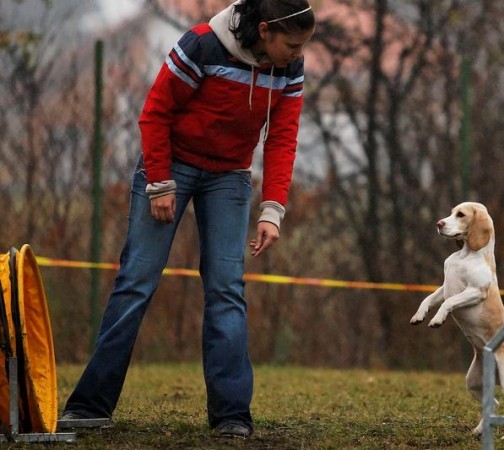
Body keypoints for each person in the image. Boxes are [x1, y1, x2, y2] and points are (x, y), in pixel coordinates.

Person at [60, 0, 315, 438]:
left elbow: (283, 137)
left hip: (230, 177)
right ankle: (89, 407)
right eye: (290, 44)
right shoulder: (201, 47)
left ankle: (232, 415)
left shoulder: (288, 68)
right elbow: (155, 112)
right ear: (266, 30)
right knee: (136, 282)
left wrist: (272, 209)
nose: (296, 54)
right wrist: (160, 182)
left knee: (226, 290)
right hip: (171, 165)